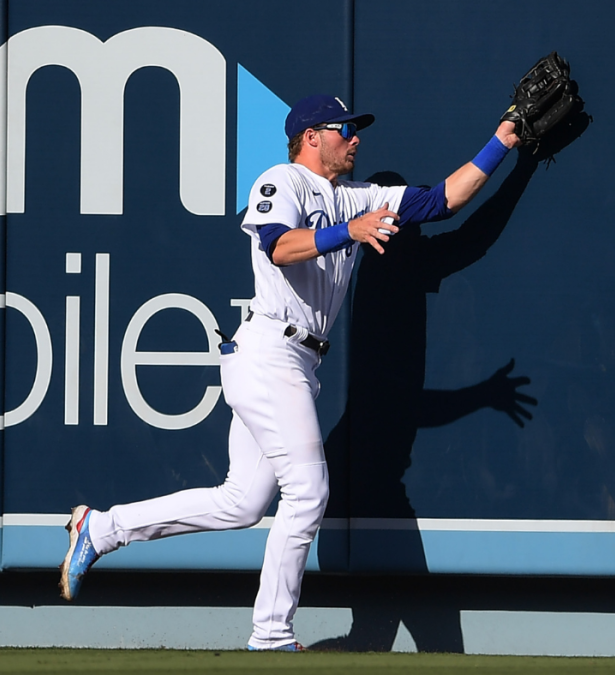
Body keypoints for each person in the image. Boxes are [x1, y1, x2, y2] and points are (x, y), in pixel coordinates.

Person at [58, 93, 521, 651]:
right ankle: (271, 633)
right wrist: (349, 232)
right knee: (307, 490)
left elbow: (444, 200)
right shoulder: (282, 180)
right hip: (269, 351)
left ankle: (102, 528)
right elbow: (280, 247)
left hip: (297, 360)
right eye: (343, 129)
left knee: (240, 502)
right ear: (311, 137)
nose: (355, 138)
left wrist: (504, 140)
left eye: (355, 129)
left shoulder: (358, 196)